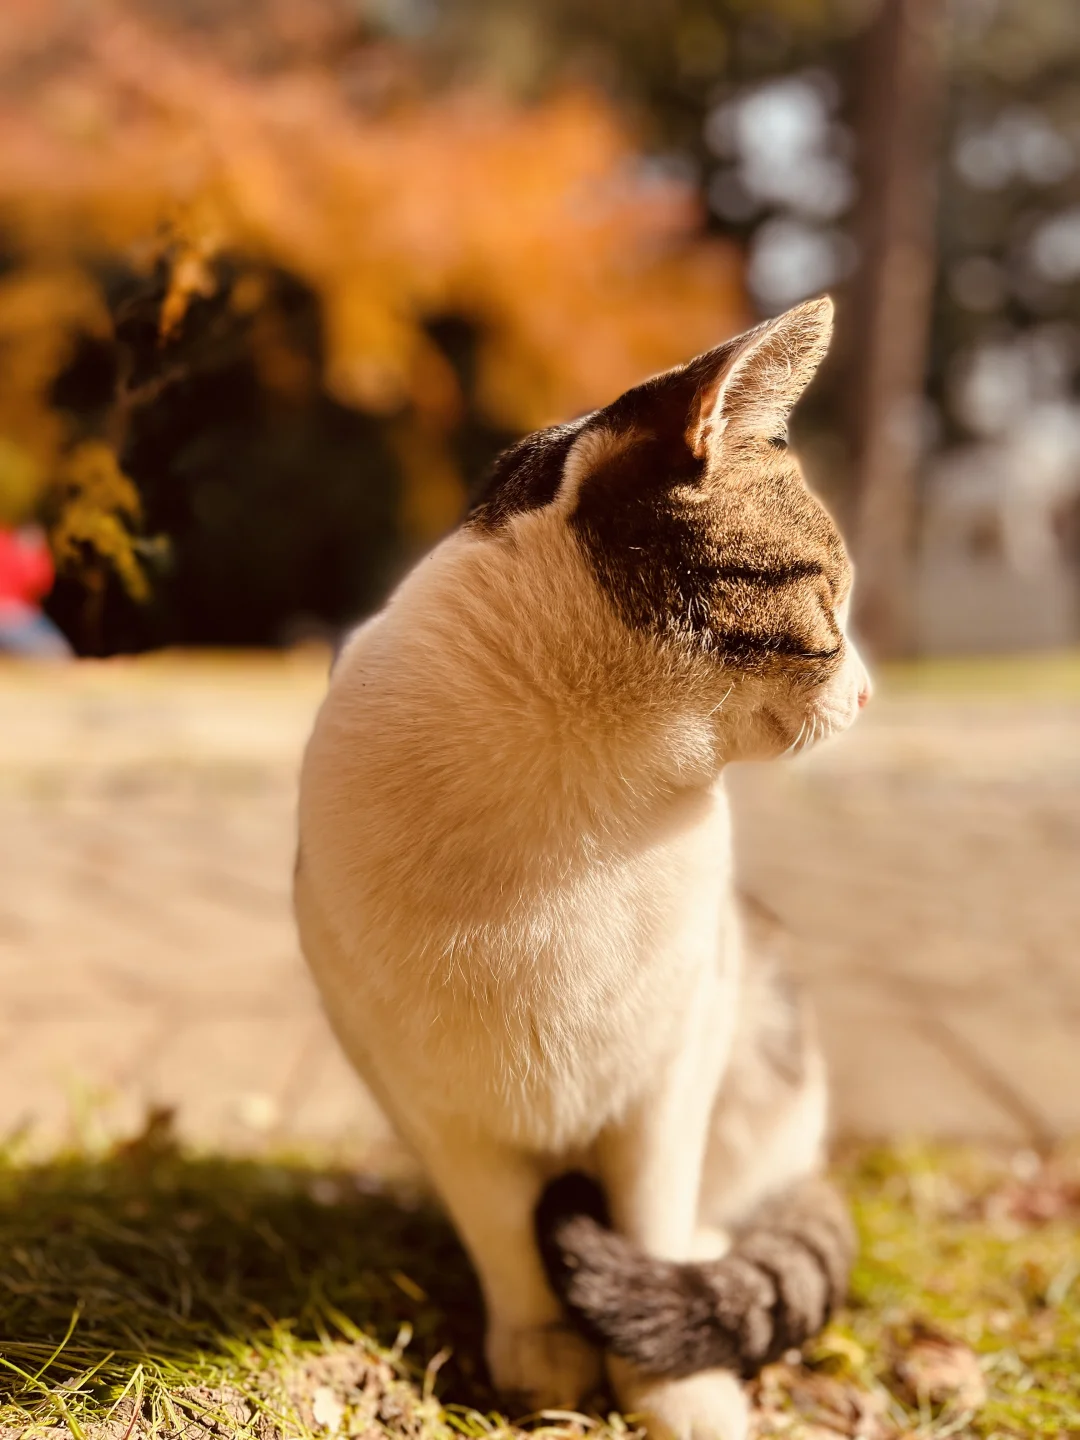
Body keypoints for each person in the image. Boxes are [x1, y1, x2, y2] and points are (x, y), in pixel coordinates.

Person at [0, 524, 73, 658]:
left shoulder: (5, 541)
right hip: (16, 615)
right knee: (57, 655)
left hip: (17, 614)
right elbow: (39, 585)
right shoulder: (29, 551)